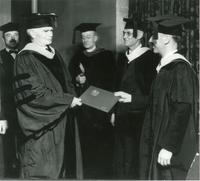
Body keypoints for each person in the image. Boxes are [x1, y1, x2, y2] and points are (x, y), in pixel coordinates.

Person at [13, 13, 82, 179]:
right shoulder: (25, 58)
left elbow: (67, 83)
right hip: (44, 128)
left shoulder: (54, 53)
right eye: (45, 31)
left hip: (64, 121)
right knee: (43, 170)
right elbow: (33, 94)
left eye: (51, 30)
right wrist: (67, 101)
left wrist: (73, 98)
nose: (51, 33)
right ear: (32, 33)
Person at [139, 15, 199, 180]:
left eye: (154, 36)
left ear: (165, 39)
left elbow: (182, 108)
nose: (151, 40)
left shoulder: (180, 69)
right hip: (158, 142)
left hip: (169, 150)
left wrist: (168, 146)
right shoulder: (165, 68)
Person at [111, 16, 159, 179]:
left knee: (134, 159)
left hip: (140, 117)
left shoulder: (151, 59)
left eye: (128, 33)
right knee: (120, 157)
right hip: (122, 115)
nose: (124, 36)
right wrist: (114, 111)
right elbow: (116, 87)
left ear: (139, 36)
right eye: (124, 33)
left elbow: (152, 93)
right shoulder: (121, 58)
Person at [69, 23, 116, 179]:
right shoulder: (77, 57)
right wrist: (77, 80)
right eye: (83, 37)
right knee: (85, 146)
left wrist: (112, 109)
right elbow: (69, 80)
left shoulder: (107, 56)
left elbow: (112, 83)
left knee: (102, 147)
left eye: (88, 37)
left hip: (102, 109)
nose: (85, 40)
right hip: (83, 110)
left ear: (96, 37)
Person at [0, 22, 21, 178]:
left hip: (26, 110)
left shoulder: (26, 55)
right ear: (3, 38)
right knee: (8, 148)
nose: (12, 38)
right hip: (6, 110)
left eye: (15, 34)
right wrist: (1, 117)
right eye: (8, 35)